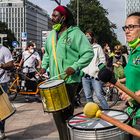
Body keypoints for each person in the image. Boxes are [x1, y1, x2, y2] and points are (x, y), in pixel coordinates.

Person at [40, 5, 93, 140]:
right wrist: (44, 66)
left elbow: (88, 53)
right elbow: (48, 53)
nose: (52, 18)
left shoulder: (76, 33)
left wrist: (75, 67)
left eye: (55, 16)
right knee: (56, 113)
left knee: (65, 112)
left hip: (70, 81)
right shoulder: (51, 34)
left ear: (63, 18)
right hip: (54, 80)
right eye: (52, 15)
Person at [120, 12, 140, 140]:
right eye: (126, 27)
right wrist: (119, 83)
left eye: (131, 27)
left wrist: (136, 94)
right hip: (132, 112)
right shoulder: (133, 52)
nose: (127, 31)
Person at [82, 31, 109, 109]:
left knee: (99, 95)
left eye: (88, 36)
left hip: (95, 76)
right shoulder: (82, 47)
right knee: (88, 96)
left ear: (92, 37)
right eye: (85, 36)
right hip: (85, 76)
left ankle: (107, 110)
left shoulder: (97, 47)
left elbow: (103, 60)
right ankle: (92, 112)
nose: (87, 37)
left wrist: (98, 68)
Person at [0, 45, 14, 139]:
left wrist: (1, 65)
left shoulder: (4, 50)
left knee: (1, 109)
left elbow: (11, 64)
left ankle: (1, 131)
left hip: (1, 82)